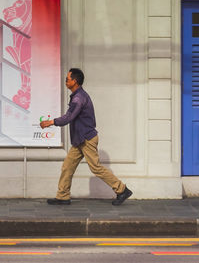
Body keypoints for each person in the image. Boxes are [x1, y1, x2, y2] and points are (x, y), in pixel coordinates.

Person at [40, 67, 132, 205]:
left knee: (95, 167)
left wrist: (51, 122)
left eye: (67, 79)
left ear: (75, 81)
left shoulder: (78, 98)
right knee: (67, 166)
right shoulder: (78, 96)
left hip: (87, 139)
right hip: (80, 139)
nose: (65, 81)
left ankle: (122, 189)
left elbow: (69, 117)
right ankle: (63, 196)